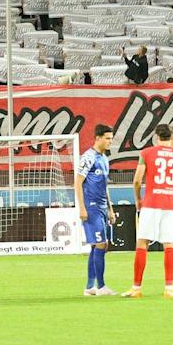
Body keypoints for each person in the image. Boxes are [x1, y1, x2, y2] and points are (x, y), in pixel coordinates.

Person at [125, 123, 173, 298]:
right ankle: (169, 288)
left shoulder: (146, 153)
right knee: (169, 245)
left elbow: (137, 180)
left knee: (142, 244)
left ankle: (136, 288)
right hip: (170, 205)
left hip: (151, 203)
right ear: (172, 137)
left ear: (156, 137)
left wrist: (138, 198)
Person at [74, 124, 115, 296]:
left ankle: (90, 287)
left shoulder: (104, 158)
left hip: (103, 207)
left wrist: (111, 209)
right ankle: (102, 286)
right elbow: (77, 182)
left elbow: (104, 186)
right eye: (107, 138)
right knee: (101, 244)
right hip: (91, 207)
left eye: (111, 139)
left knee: (96, 246)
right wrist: (82, 208)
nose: (110, 142)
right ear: (97, 138)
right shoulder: (88, 157)